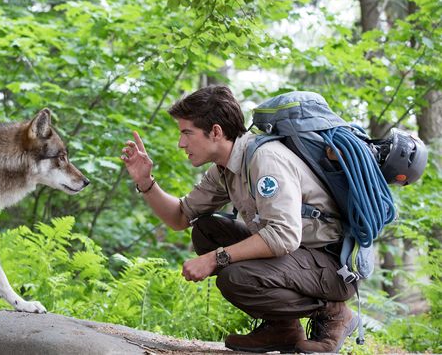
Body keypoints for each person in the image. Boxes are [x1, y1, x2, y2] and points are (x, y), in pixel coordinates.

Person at [120, 85, 357, 353]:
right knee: (206, 230)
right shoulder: (224, 168)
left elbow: (283, 235)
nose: (181, 143)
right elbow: (180, 217)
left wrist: (214, 258)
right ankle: (283, 328)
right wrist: (145, 182)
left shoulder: (265, 160)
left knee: (236, 277)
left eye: (187, 133)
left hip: (331, 266)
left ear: (216, 132)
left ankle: (334, 312)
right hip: (297, 258)